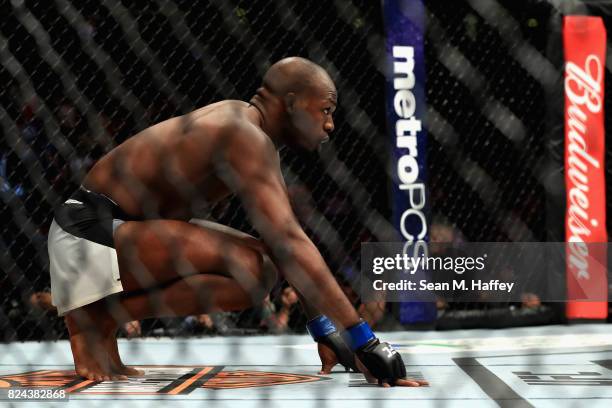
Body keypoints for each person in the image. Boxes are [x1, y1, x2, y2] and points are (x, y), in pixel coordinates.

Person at [47, 57, 427, 387]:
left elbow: (282, 249)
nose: (330, 125)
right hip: (88, 232)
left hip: (114, 232)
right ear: (292, 103)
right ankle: (90, 319)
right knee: (249, 264)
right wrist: (365, 341)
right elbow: (290, 243)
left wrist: (325, 329)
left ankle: (107, 318)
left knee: (259, 266)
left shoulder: (244, 123)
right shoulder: (242, 134)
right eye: (325, 110)